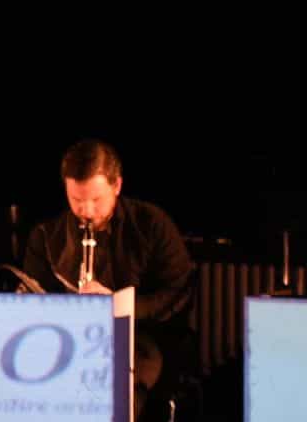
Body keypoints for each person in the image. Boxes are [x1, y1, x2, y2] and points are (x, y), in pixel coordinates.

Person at [21, 140, 191, 420]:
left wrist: (119, 307)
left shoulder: (151, 224)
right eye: (76, 200)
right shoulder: (45, 236)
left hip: (141, 338)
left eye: (96, 200)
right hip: (72, 340)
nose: (86, 211)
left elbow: (178, 291)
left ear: (117, 186)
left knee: (114, 386)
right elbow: (35, 300)